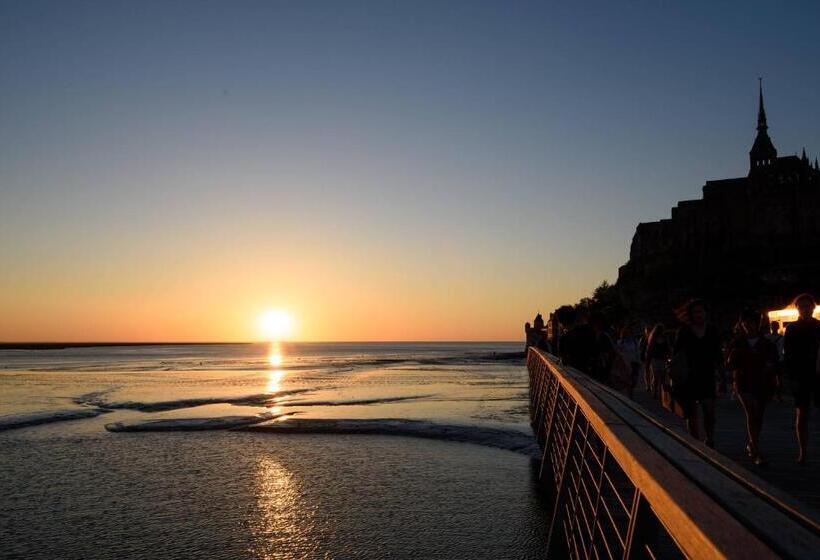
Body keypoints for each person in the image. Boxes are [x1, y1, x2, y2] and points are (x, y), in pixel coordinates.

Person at [726, 309, 779, 465]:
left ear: (757, 324)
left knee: (758, 415)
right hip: (743, 381)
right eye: (744, 322)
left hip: (763, 382)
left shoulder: (767, 344)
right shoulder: (736, 343)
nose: (747, 325)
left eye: (751, 322)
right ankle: (755, 448)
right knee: (751, 412)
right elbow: (728, 364)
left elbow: (774, 363)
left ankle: (752, 442)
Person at [673, 299, 722, 446]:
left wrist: (722, 375)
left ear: (706, 313)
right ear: (690, 315)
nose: (698, 314)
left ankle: (710, 439)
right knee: (692, 413)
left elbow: (717, 353)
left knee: (709, 412)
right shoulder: (684, 331)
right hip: (689, 376)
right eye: (695, 312)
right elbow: (676, 354)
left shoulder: (712, 330)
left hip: (707, 374)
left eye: (701, 311)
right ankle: (695, 443)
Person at [783, 293, 820, 464]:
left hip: (818, 374)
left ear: (813, 307)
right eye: (802, 306)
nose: (805, 309)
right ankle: (803, 451)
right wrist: (790, 377)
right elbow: (788, 355)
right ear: (797, 308)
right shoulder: (791, 328)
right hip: (801, 375)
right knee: (802, 414)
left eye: (808, 306)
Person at [555, 305, 595, 375]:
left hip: (574, 376)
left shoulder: (564, 338)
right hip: (590, 375)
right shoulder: (587, 331)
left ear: (562, 323)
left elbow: (563, 360)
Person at [645, 324, 672, 398]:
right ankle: (655, 390)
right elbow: (650, 349)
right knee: (656, 377)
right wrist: (648, 359)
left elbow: (668, 348)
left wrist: (669, 355)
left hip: (663, 359)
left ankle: (662, 393)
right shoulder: (653, 339)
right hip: (655, 360)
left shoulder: (665, 338)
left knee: (663, 377)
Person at [615, 326, 640, 398]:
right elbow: (618, 353)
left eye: (630, 332)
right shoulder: (620, 342)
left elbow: (637, 352)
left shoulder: (635, 342)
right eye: (627, 332)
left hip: (634, 364)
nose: (628, 334)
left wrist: (639, 363)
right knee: (628, 382)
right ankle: (630, 397)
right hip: (625, 365)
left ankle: (630, 394)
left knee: (634, 382)